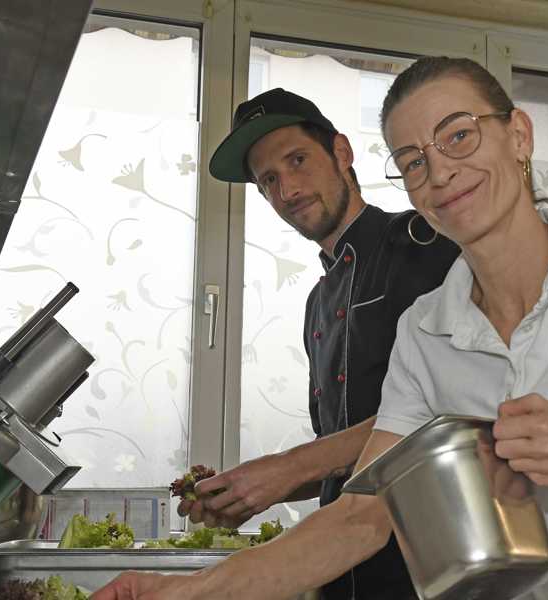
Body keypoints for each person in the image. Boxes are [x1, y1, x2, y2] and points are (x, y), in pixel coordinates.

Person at [92, 57, 548, 600]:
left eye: (459, 135)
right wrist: (187, 592)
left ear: (518, 136)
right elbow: (364, 516)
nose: (441, 170)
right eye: (415, 159)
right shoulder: (427, 331)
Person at [184, 87, 459, 599]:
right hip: (343, 572)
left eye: (298, 160)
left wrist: (289, 467)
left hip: (431, 573)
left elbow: (450, 412)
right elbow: (346, 460)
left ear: (342, 152)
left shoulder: (426, 248)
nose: (287, 189)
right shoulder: (316, 302)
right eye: (268, 179)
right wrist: (256, 491)